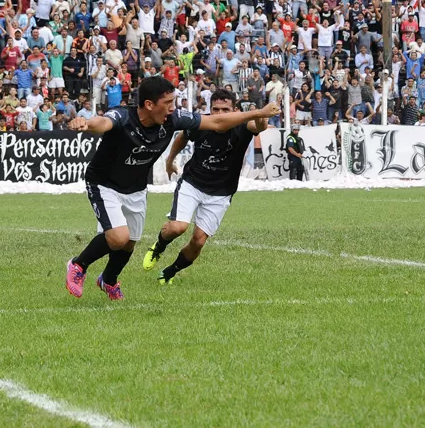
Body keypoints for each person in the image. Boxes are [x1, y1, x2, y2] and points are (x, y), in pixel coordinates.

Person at [64, 76, 280, 300]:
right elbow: (104, 123)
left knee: (129, 243)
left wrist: (257, 113)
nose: (172, 108)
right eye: (168, 103)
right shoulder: (123, 116)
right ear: (149, 105)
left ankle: (108, 280)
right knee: (119, 237)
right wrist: (87, 123)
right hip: (104, 183)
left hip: (136, 187)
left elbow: (216, 122)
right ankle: (78, 264)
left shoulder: (174, 119)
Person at [142, 89, 269, 284]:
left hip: (221, 192)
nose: (219, 114)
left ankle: (169, 272)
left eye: (225, 109)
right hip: (192, 182)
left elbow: (259, 126)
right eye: (215, 109)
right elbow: (183, 136)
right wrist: (170, 160)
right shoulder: (201, 123)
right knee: (178, 227)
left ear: (234, 110)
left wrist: (263, 114)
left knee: (198, 241)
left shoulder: (243, 126)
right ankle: (158, 247)